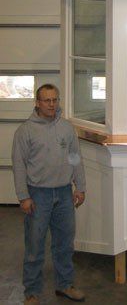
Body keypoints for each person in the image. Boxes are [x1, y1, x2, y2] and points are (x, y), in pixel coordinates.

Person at [12, 84, 87, 304]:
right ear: (37, 103)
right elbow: (19, 166)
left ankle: (64, 285)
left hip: (64, 193)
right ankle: (32, 292)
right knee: (35, 246)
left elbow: (75, 157)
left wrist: (79, 186)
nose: (52, 104)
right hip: (38, 196)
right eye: (47, 100)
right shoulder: (25, 131)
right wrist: (23, 196)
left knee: (64, 244)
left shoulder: (66, 128)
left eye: (55, 100)